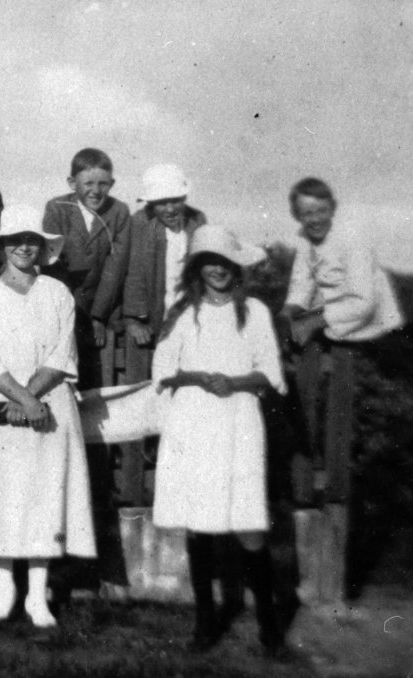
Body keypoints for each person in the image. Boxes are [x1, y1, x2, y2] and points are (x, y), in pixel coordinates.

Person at [151, 225, 286, 653]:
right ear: (196, 268)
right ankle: (205, 621)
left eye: (225, 263)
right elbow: (162, 369)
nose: (217, 270)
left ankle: (269, 626)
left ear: (236, 267)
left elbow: (270, 371)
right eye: (208, 262)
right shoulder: (182, 311)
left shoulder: (256, 312)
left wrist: (237, 381)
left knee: (248, 523)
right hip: (193, 421)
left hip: (239, 421)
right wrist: (197, 377)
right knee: (199, 524)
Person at [0, 204, 95, 628]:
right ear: (1, 247)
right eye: (14, 240)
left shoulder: (57, 293)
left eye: (31, 240)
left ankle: (38, 594)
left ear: (41, 247)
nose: (23, 247)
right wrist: (18, 399)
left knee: (43, 494)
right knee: (1, 493)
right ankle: (6, 588)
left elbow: (61, 352)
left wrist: (33, 400)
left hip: (49, 404)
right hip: (0, 407)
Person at [279, 177, 403, 506]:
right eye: (306, 213)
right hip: (334, 315)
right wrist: (288, 315)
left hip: (369, 322)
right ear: (297, 215)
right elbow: (301, 283)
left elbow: (363, 301)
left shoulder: (352, 238)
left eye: (320, 211)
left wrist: (315, 321)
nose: (314, 219)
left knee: (354, 397)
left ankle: (344, 483)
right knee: (304, 387)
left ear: (332, 209)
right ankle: (308, 479)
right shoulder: (306, 239)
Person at [119, 164, 207, 505]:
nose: (169, 209)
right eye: (161, 203)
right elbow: (135, 273)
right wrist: (133, 317)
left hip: (188, 321)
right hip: (154, 320)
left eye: (175, 200)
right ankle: (136, 490)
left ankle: (185, 488)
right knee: (146, 400)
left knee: (188, 404)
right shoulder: (143, 225)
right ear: (151, 206)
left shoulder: (199, 223)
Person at [42, 147, 131, 388]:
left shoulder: (119, 212)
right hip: (65, 306)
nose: (95, 191)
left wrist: (98, 316)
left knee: (97, 380)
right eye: (88, 183)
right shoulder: (57, 208)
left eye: (103, 184)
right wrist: (74, 314)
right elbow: (53, 265)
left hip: (101, 308)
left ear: (112, 183)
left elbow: (116, 266)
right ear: (72, 182)